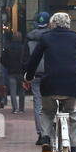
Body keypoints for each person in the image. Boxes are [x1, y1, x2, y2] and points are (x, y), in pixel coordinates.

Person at [23, 12, 76, 152]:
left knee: (47, 112)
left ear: (52, 23)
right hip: (71, 83)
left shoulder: (46, 38)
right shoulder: (75, 38)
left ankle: (46, 138)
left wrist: (29, 76)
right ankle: (73, 146)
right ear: (68, 23)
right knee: (71, 112)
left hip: (50, 83)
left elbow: (34, 59)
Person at [26, 12, 51, 144]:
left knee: (38, 104)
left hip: (35, 74)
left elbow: (26, 59)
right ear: (48, 22)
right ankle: (50, 132)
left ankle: (41, 133)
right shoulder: (52, 37)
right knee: (53, 101)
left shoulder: (29, 38)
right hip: (50, 73)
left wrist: (26, 75)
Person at [0, 28, 28, 114]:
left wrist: (7, 66)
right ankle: (22, 109)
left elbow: (2, 60)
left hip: (11, 72)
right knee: (22, 91)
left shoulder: (7, 48)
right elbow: (27, 60)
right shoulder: (23, 48)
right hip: (21, 73)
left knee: (13, 91)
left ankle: (15, 108)